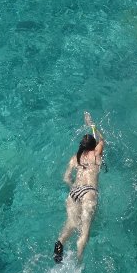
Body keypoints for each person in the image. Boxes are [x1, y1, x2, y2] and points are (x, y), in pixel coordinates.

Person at [54, 112, 104, 263]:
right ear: (93, 146)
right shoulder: (96, 155)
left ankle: (60, 243)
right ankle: (78, 261)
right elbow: (102, 139)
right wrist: (92, 124)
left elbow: (66, 177)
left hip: (74, 192)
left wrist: (72, 186)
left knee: (71, 223)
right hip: (89, 191)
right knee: (85, 230)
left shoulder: (75, 158)